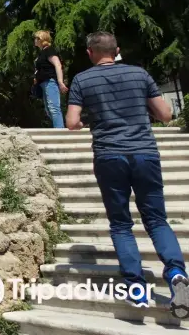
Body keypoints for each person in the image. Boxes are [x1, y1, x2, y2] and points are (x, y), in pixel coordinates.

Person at [66, 31, 188, 315]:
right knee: (157, 220)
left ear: (90, 53)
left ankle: (137, 289)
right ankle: (176, 275)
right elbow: (166, 115)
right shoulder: (139, 74)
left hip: (109, 156)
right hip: (145, 153)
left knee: (121, 224)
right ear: (117, 50)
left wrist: (85, 121)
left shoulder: (82, 80)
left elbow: (71, 121)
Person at [33, 30, 68, 128]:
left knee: (54, 108)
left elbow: (57, 64)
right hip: (43, 83)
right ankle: (58, 128)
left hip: (50, 82)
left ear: (41, 39)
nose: (34, 40)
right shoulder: (42, 52)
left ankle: (60, 132)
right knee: (48, 109)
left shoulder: (49, 50)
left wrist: (60, 82)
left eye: (36, 38)